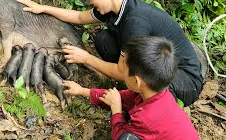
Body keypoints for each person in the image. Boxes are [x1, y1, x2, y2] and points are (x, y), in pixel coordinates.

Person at [15, 0, 204, 106]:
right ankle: (131, 89)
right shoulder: (116, 7)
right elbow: (80, 17)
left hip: (184, 80)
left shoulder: (134, 22)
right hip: (153, 66)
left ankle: (143, 106)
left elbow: (123, 72)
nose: (91, 2)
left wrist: (86, 58)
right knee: (104, 39)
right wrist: (42, 8)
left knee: (146, 92)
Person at [62, 36, 200, 140]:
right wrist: (81, 91)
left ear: (136, 80)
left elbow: (122, 136)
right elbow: (119, 97)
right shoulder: (157, 93)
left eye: (125, 68)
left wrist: (116, 111)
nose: (121, 70)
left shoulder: (145, 119)